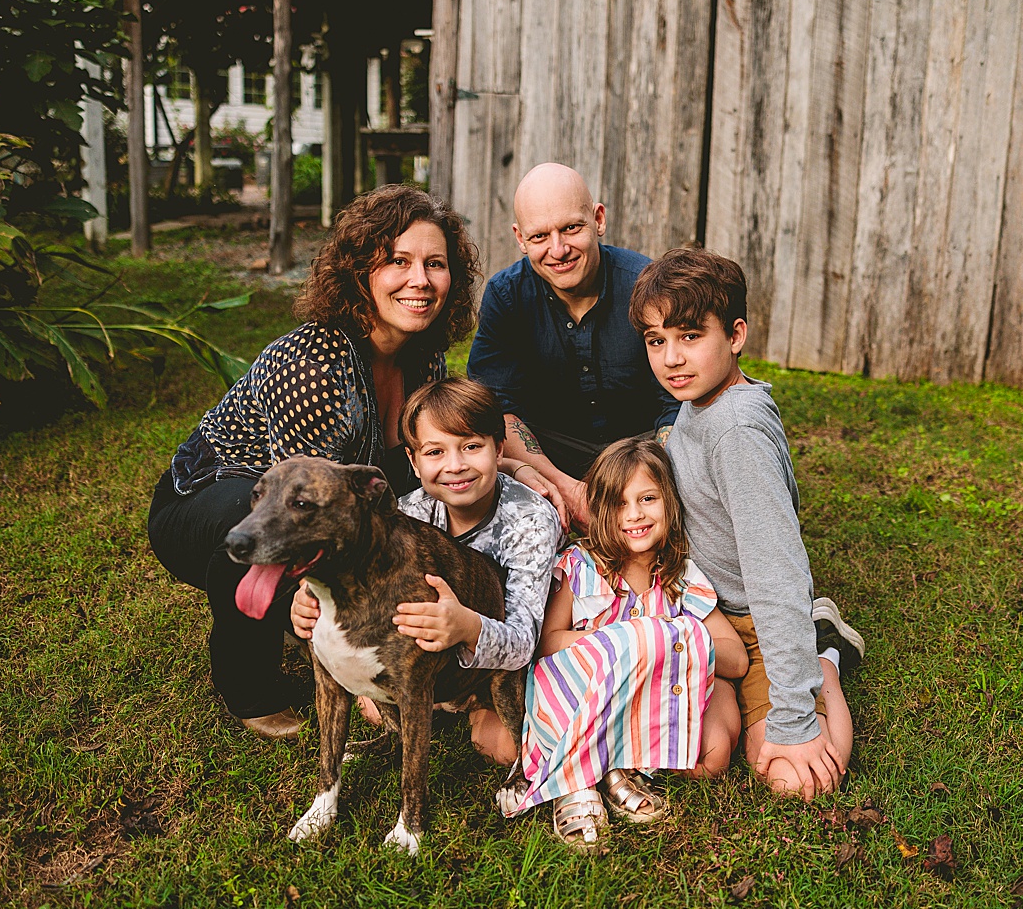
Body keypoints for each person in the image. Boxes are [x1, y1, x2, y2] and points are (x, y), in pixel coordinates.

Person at [146, 185, 558, 740]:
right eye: (398, 262)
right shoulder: (317, 366)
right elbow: (295, 501)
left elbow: (431, 455)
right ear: (359, 271)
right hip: (215, 496)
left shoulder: (423, 353)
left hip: (316, 497)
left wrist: (515, 468)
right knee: (266, 533)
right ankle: (247, 684)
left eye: (435, 264)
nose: (420, 280)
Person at [628, 247, 866, 802]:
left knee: (795, 781)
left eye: (690, 336)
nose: (671, 359)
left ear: (735, 336)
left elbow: (776, 574)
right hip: (702, 611)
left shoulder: (736, 433)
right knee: (688, 747)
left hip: (753, 620)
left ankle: (824, 659)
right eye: (656, 340)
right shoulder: (700, 400)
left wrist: (794, 722)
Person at [289, 377, 562, 765]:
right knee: (370, 700)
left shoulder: (530, 521)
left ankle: (468, 707)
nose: (455, 466)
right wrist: (311, 596)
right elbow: (353, 572)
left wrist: (466, 627)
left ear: (499, 450)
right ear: (414, 463)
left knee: (501, 749)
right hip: (432, 654)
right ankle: (431, 704)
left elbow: (522, 642)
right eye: (435, 452)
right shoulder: (408, 511)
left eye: (471, 447)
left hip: (503, 664)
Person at [518, 438, 748, 851]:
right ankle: (588, 773)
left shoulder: (680, 576)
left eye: (647, 498)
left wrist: (666, 637)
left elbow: (736, 661)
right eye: (619, 504)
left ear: (670, 504)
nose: (635, 515)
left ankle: (618, 762)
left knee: (711, 760)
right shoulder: (581, 567)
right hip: (591, 697)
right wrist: (622, 641)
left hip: (658, 700)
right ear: (599, 512)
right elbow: (549, 642)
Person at [467, 163, 678, 529]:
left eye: (571, 228)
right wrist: (568, 491)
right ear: (520, 238)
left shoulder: (647, 287)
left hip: (643, 446)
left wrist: (647, 482)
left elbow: (675, 400)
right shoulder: (506, 297)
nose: (558, 249)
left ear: (598, 219)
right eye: (539, 237)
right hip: (551, 455)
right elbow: (498, 409)